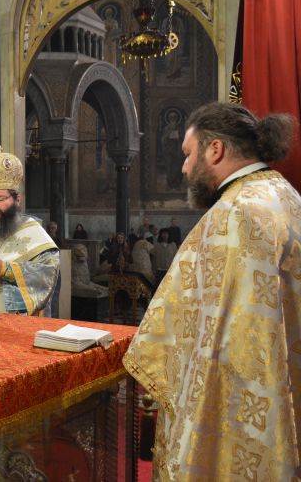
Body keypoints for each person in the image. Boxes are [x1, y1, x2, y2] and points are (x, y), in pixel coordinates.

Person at [123, 102, 301, 481]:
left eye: (188, 155)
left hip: (241, 408)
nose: (184, 168)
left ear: (215, 150)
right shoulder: (285, 195)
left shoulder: (235, 213)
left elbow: (202, 334)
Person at [0, 151, 59, 315]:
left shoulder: (33, 231)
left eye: (0, 199)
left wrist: (6, 269)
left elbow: (48, 273)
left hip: (14, 323)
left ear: (17, 200)